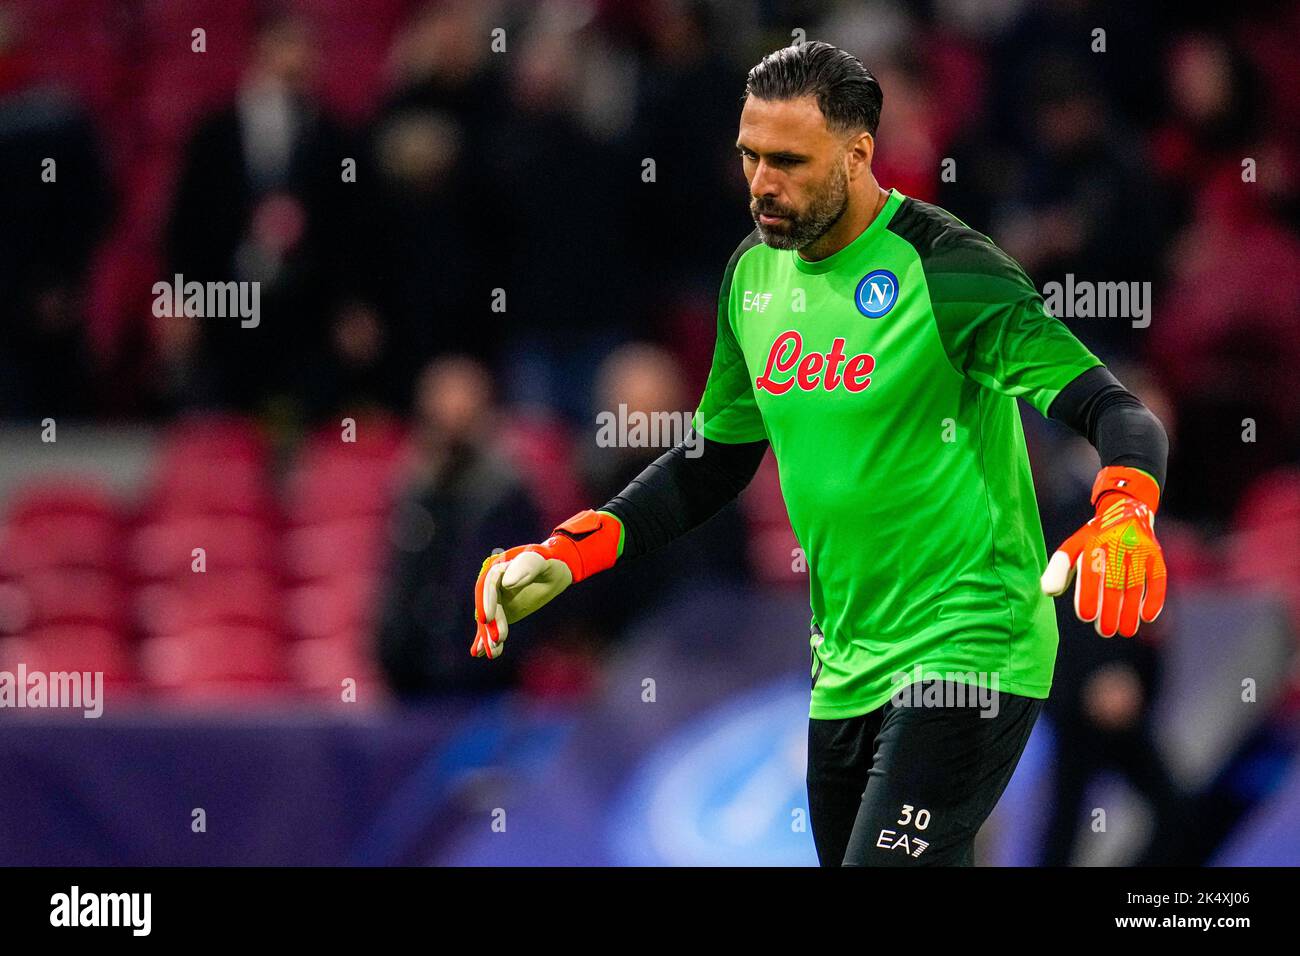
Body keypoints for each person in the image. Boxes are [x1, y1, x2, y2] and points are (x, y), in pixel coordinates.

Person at [468, 42, 1170, 866]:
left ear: (858, 154)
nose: (763, 183)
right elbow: (711, 463)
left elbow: (1117, 411)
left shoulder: (948, 269)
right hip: (844, 668)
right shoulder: (751, 279)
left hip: (973, 648)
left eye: (790, 161)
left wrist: (1125, 507)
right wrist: (572, 551)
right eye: (750, 156)